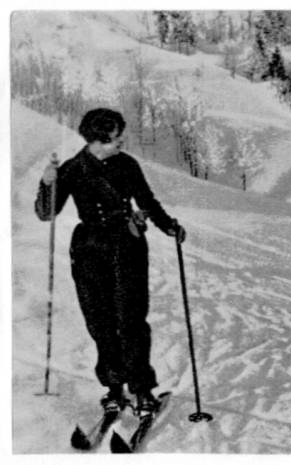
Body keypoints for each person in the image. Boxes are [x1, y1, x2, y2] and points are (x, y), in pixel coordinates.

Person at [35, 108, 186, 415]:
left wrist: (168, 225)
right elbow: (46, 213)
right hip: (89, 249)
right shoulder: (73, 169)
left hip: (126, 246)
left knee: (131, 320)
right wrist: (47, 183)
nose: (122, 141)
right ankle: (114, 389)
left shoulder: (127, 165)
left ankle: (142, 390)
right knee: (100, 322)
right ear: (99, 139)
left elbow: (147, 201)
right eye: (117, 137)